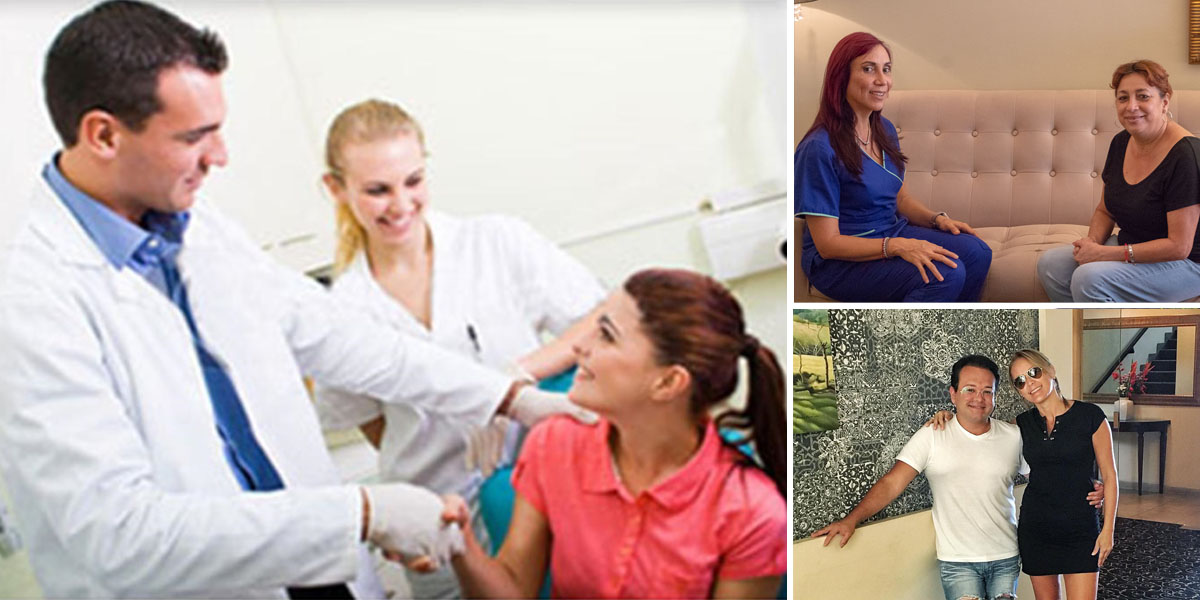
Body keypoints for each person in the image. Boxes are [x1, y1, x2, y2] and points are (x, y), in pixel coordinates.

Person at [0, 2, 589, 597]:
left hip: (317, 574)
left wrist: (507, 395)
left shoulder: (202, 229)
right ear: (103, 134)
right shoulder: (35, 302)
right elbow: (119, 534)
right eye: (195, 136)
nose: (220, 155)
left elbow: (342, 338)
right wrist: (364, 513)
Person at [314, 98, 607, 597]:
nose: (401, 204)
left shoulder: (496, 242)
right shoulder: (340, 308)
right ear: (336, 189)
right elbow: (375, 425)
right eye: (377, 190)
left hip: (546, 496)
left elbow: (603, 320)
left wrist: (514, 379)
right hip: (438, 525)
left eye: (413, 181)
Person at [445, 268, 787, 599]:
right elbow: (514, 589)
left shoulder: (753, 513)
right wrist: (461, 545)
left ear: (668, 382)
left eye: (606, 334)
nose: (579, 347)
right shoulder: (554, 443)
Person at [813, 355, 1103, 600]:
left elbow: (1048, 471)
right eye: (969, 390)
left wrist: (1090, 486)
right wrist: (852, 518)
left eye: (987, 391)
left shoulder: (1014, 435)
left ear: (995, 397)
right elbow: (892, 482)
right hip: (958, 563)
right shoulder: (932, 434)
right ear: (953, 394)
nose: (979, 398)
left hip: (1006, 556)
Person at [794, 32, 992, 302]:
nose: (882, 80)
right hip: (840, 262)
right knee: (945, 274)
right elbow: (828, 245)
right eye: (868, 69)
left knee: (977, 252)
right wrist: (897, 247)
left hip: (891, 231)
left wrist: (938, 220)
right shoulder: (818, 148)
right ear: (841, 77)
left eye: (886, 69)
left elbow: (901, 198)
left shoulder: (884, 129)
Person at [1038, 60, 1200, 302]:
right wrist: (1092, 244)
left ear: (1164, 101)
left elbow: (1178, 246)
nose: (1131, 106)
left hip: (1186, 263)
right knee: (1051, 264)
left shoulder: (1185, 154)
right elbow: (1105, 210)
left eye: (1143, 96)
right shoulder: (1121, 142)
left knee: (1089, 278)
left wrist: (1105, 254)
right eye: (1123, 98)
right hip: (1132, 245)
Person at [1008, 349, 1118, 600]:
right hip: (1036, 530)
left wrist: (1108, 531)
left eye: (1033, 372)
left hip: (1080, 530)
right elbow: (982, 432)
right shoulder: (1020, 425)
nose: (1029, 383)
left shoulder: (1090, 416)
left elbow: (1110, 476)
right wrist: (948, 417)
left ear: (1050, 370)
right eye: (1020, 381)